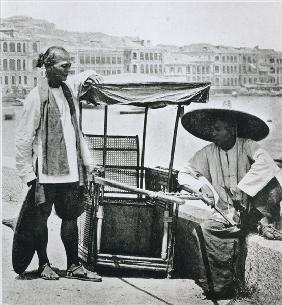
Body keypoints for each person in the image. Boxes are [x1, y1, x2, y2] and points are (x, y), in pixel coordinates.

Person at [14, 46, 102, 281]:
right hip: (46, 172)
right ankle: (44, 264)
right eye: (64, 66)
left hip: (71, 171)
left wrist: (88, 163)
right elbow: (23, 138)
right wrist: (26, 174)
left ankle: (74, 265)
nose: (68, 70)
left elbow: (85, 78)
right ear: (48, 67)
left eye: (69, 66)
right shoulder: (36, 97)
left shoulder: (69, 89)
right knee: (40, 218)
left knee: (70, 216)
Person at [178, 107, 282, 299]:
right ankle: (220, 287)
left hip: (254, 211)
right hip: (228, 214)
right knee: (202, 230)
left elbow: (267, 164)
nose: (213, 133)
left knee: (274, 183)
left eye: (217, 129)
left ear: (232, 130)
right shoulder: (208, 152)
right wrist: (202, 186)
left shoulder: (247, 145)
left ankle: (266, 223)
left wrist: (243, 188)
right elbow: (184, 173)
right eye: (212, 129)